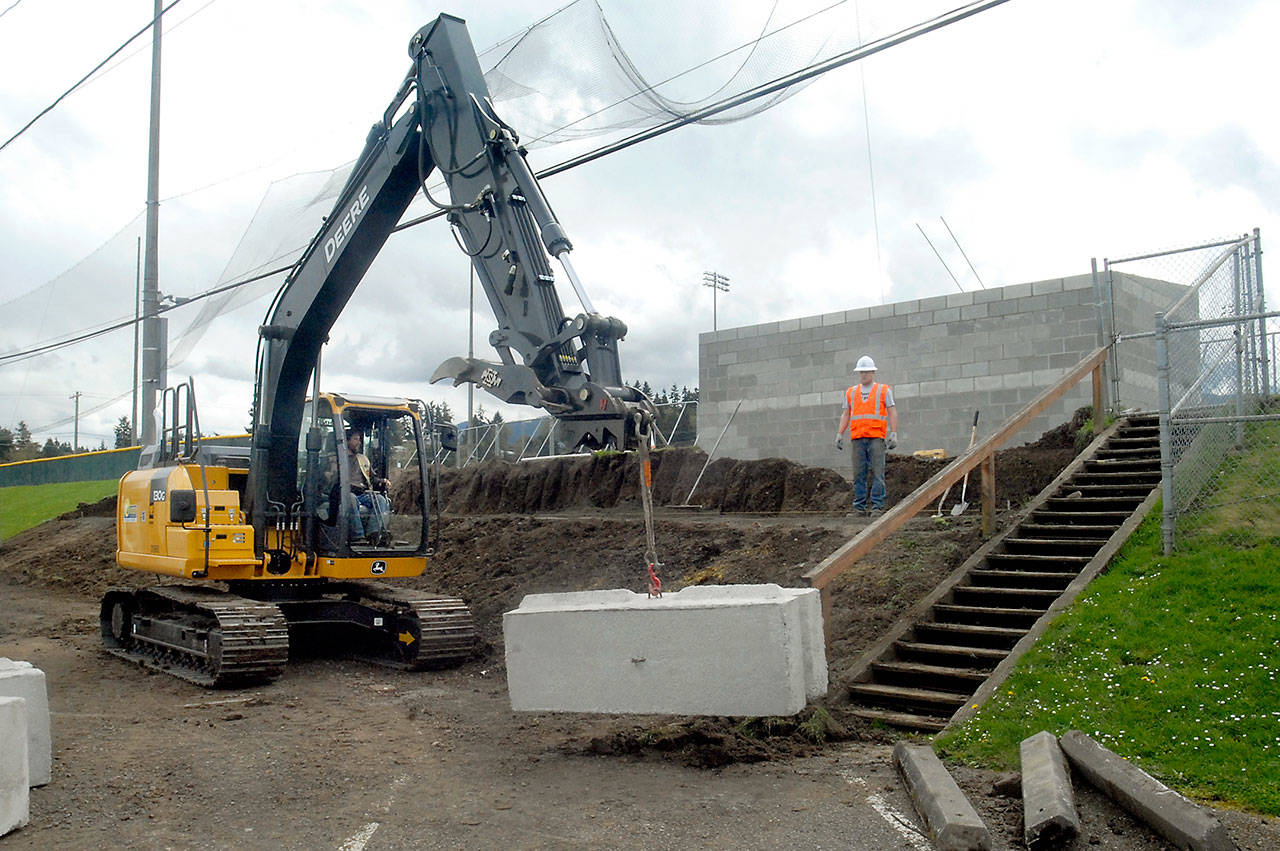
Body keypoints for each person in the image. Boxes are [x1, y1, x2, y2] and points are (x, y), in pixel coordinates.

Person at [836, 355, 898, 516]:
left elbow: (892, 411)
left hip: (876, 438)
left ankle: (877, 506)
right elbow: (845, 414)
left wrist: (894, 432)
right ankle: (859, 507)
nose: (863, 375)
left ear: (872, 372)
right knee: (859, 474)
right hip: (857, 439)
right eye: (861, 372)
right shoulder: (851, 392)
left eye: (866, 372)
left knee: (878, 473)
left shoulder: (884, 390)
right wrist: (839, 433)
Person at [344, 428, 392, 544]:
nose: (359, 442)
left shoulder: (363, 459)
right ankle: (358, 536)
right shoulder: (337, 459)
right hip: (343, 494)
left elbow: (372, 478)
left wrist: (382, 481)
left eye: (360, 439)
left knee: (380, 499)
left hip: (361, 494)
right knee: (351, 498)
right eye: (355, 439)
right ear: (346, 441)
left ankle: (373, 533)